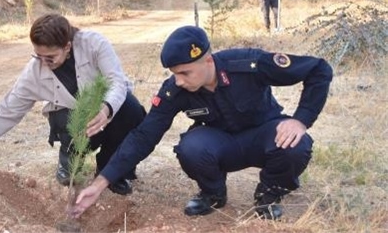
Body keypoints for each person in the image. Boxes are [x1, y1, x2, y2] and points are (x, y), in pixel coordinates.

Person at [72, 25, 333, 220]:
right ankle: (213, 194)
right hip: (220, 144)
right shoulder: (175, 91)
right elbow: (144, 136)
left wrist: (301, 120)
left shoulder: (248, 63)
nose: (179, 80)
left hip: (264, 135)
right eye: (174, 74)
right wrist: (101, 183)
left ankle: (269, 195)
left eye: (185, 72)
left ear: (207, 60)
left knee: (296, 145)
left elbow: (318, 70)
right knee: (191, 148)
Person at [0, 13, 146, 195]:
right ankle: (69, 161)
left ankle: (109, 173)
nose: (43, 63)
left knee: (131, 110)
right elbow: (7, 110)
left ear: (67, 46)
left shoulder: (94, 44)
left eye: (50, 57)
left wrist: (106, 109)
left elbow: (117, 81)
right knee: (66, 119)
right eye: (38, 56)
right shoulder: (34, 72)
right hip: (71, 121)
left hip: (104, 111)